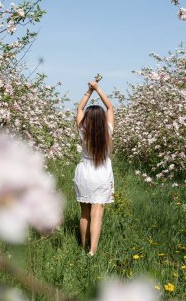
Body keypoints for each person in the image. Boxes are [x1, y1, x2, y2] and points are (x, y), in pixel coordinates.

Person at [74, 81, 114, 256]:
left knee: (85, 213)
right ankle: (93, 251)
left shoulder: (83, 131)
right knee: (97, 212)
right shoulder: (108, 131)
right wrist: (98, 89)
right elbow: (110, 108)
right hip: (102, 173)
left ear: (87, 120)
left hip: (85, 172)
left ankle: (83, 247)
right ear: (102, 119)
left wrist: (89, 91)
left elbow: (79, 109)